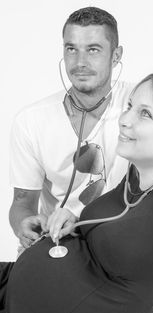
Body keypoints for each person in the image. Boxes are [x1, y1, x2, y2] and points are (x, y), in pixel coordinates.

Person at [4, 71, 153, 313]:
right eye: (130, 105)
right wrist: (75, 223)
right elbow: (119, 239)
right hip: (12, 286)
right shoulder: (137, 176)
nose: (124, 119)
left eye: (145, 114)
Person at [8, 7, 134, 249]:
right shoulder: (31, 121)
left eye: (93, 50)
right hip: (58, 243)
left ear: (116, 55)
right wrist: (24, 224)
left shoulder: (140, 105)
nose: (80, 63)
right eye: (71, 49)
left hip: (120, 245)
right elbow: (23, 202)